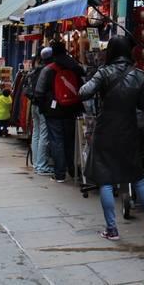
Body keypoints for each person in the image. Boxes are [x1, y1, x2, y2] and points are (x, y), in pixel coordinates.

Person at [79, 37, 144, 240]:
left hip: (105, 130)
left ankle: (112, 229)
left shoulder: (103, 72)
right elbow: (142, 105)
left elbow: (83, 93)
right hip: (129, 131)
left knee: (106, 180)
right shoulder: (139, 75)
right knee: (138, 179)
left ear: (111, 51)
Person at [35, 41, 85, 183]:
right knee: (70, 141)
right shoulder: (74, 66)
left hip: (54, 112)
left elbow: (39, 92)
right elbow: (83, 85)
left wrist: (44, 107)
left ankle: (59, 174)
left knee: (56, 141)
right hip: (72, 110)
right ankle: (72, 170)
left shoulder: (48, 69)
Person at [25, 49, 53, 175]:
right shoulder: (48, 70)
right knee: (43, 133)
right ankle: (41, 166)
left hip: (34, 104)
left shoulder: (35, 70)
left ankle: (37, 163)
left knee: (36, 133)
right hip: (42, 105)